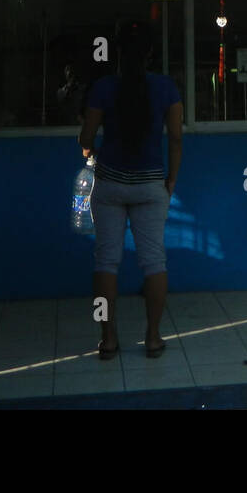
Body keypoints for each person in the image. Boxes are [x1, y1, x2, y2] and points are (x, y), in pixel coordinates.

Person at [78, 19, 183, 359]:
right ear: (151, 52)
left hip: (109, 184)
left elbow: (86, 137)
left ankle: (108, 339)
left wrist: (87, 148)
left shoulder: (104, 87)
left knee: (106, 263)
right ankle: (153, 338)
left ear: (118, 52)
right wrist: (170, 181)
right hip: (151, 185)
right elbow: (177, 138)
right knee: (154, 262)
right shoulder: (166, 88)